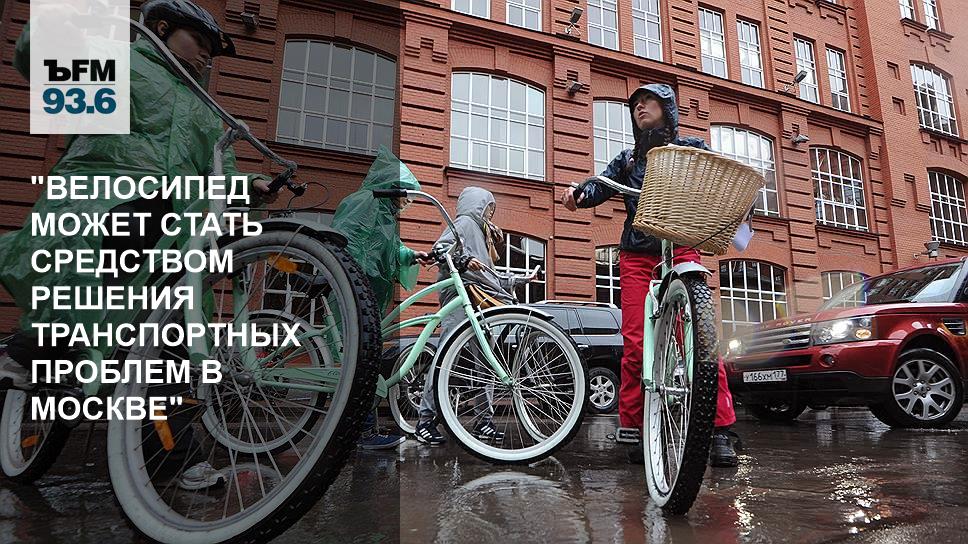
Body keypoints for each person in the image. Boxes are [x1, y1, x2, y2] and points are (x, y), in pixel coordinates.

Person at [0, 0, 278, 489]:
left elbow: (217, 176)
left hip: (173, 231)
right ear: (161, 28)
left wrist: (250, 186)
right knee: (90, 269)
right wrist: (56, 30)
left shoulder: (204, 109)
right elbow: (42, 65)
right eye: (199, 43)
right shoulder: (123, 63)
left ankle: (174, 459)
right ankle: (31, 350)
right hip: (106, 197)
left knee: (170, 345)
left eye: (212, 52)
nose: (206, 57)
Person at [561, 84, 740, 467]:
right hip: (637, 254)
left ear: (668, 108)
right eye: (636, 104)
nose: (640, 107)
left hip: (681, 245)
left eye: (649, 101)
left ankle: (720, 429)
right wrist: (579, 193)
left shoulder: (690, 148)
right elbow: (599, 184)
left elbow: (719, 176)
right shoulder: (627, 160)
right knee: (635, 342)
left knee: (701, 340)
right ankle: (635, 424)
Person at [413, 187, 537, 446]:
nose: (491, 213)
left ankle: (484, 421)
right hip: (459, 298)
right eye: (489, 207)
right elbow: (441, 249)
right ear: (478, 205)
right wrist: (463, 260)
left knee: (485, 362)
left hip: (477, 300)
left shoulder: (482, 235)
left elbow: (489, 276)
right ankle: (425, 421)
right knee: (447, 356)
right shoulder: (465, 223)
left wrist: (520, 279)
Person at [331, 147, 433, 450]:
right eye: (405, 195)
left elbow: (388, 248)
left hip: (364, 295)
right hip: (354, 293)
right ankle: (363, 433)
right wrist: (357, 280)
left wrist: (412, 255)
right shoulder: (366, 202)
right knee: (360, 363)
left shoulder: (383, 213)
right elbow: (349, 242)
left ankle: (363, 430)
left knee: (365, 361)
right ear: (392, 187)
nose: (406, 202)